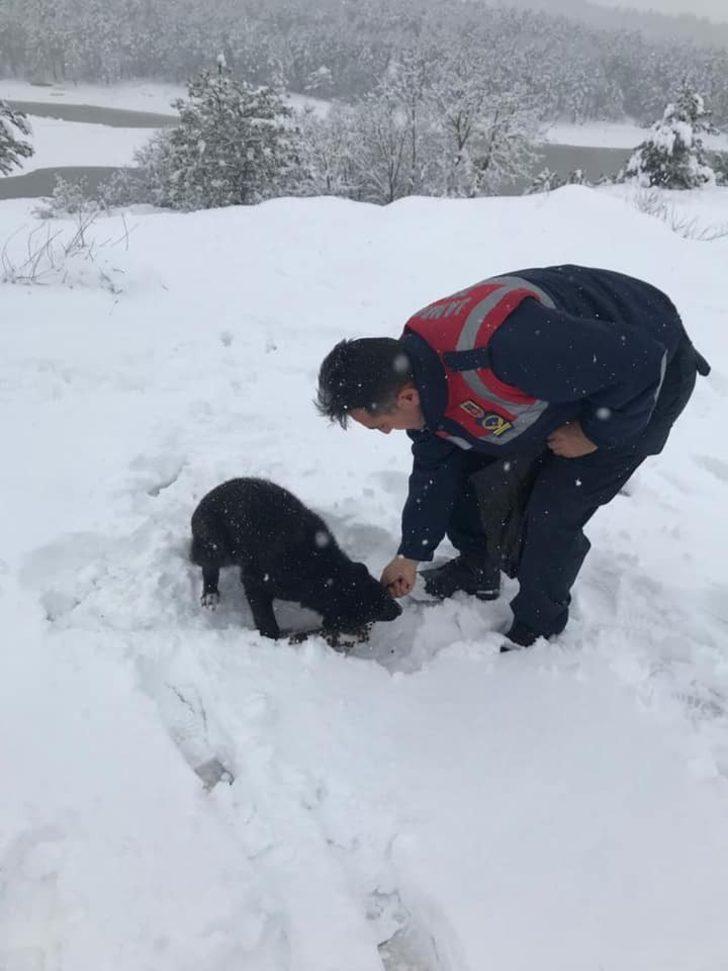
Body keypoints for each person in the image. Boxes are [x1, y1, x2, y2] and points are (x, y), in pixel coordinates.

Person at [315, 265, 709, 651]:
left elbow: (640, 360)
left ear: (406, 397)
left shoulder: (506, 350)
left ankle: (538, 626)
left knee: (553, 509)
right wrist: (411, 553)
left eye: (381, 423)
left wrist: (592, 433)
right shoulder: (414, 373)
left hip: (647, 377)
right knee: (463, 460)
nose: (386, 432)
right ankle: (477, 567)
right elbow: (434, 469)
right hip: (575, 369)